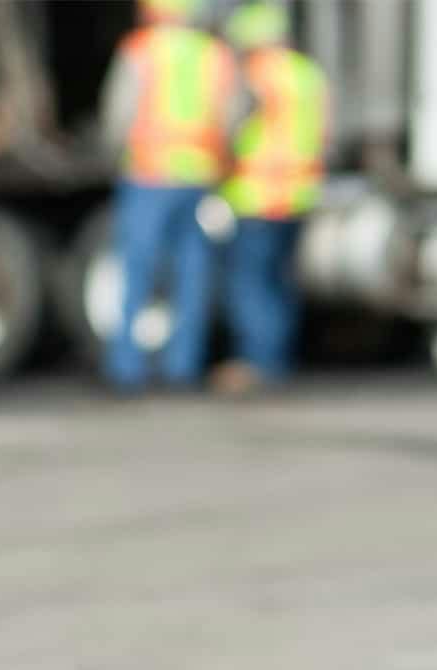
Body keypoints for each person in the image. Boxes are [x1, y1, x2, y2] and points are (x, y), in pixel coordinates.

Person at [97, 0, 246, 390]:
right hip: (197, 177)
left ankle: (126, 369)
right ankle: (184, 367)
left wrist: (113, 157)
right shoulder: (215, 56)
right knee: (192, 274)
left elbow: (119, 112)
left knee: (138, 271)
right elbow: (233, 116)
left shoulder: (142, 50)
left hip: (148, 174)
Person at [216, 2, 331, 392]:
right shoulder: (307, 74)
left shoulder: (253, 77)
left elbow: (231, 130)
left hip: (257, 196)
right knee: (281, 284)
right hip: (298, 195)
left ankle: (257, 363)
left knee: (251, 284)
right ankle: (277, 360)